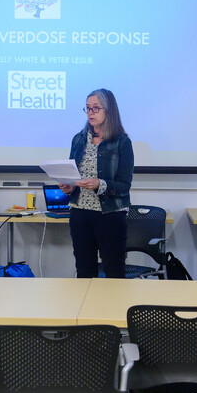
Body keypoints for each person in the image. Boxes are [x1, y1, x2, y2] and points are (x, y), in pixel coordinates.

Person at [60, 88, 134, 278]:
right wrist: (69, 187)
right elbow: (73, 174)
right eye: (87, 108)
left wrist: (99, 185)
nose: (91, 113)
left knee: (114, 271)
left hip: (110, 215)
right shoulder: (78, 140)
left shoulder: (122, 142)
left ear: (109, 110)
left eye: (96, 108)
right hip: (80, 213)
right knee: (84, 271)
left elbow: (124, 186)